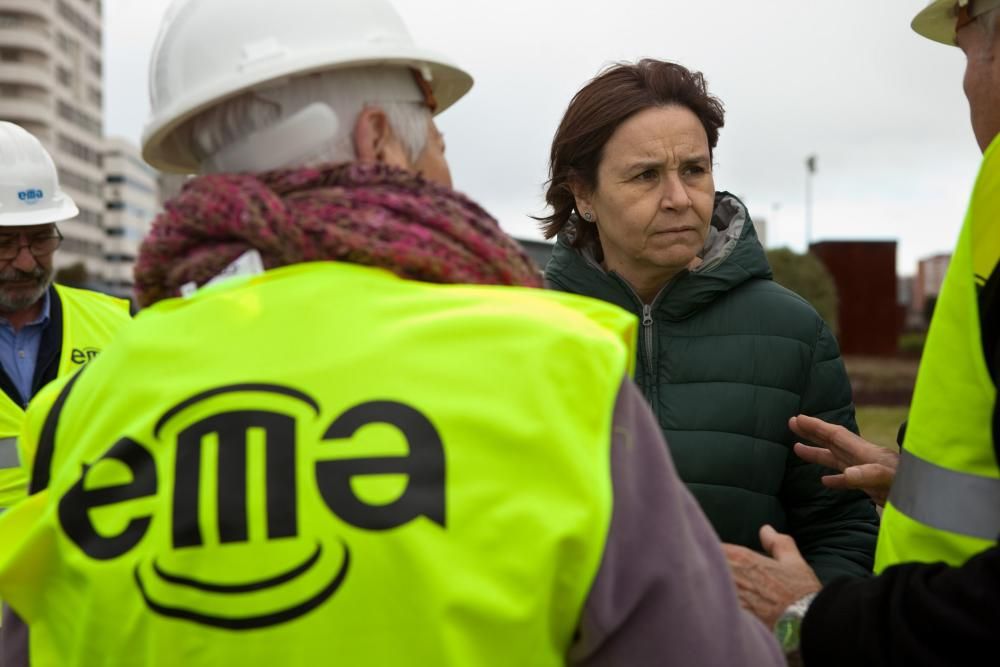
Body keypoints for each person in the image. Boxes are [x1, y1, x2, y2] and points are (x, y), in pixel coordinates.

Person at [0, 1, 783, 665]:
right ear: (378, 138)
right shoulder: (552, 368)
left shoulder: (79, 413)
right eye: (435, 137)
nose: (445, 164)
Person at [723, 1, 1000, 664]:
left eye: (963, 50)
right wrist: (910, 483)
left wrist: (811, 619)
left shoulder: (793, 326)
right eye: (644, 173)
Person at [540, 59, 879, 583]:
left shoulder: (792, 332)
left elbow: (842, 530)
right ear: (583, 195)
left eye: (694, 170)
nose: (679, 199)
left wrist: (799, 626)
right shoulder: (526, 329)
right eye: (646, 175)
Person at [0, 122, 131, 511]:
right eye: (3, 243)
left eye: (41, 239)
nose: (26, 262)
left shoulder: (120, 328)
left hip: (93, 560)